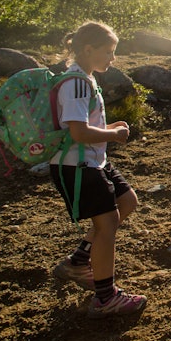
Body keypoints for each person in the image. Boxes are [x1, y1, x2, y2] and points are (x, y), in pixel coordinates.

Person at [49, 21, 148, 317]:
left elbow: (81, 125)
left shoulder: (85, 79)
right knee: (107, 225)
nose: (113, 58)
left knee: (126, 201)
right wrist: (113, 135)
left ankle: (78, 263)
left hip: (93, 161)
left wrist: (107, 127)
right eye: (108, 51)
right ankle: (106, 298)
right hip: (78, 166)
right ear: (88, 49)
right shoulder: (76, 83)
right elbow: (78, 132)